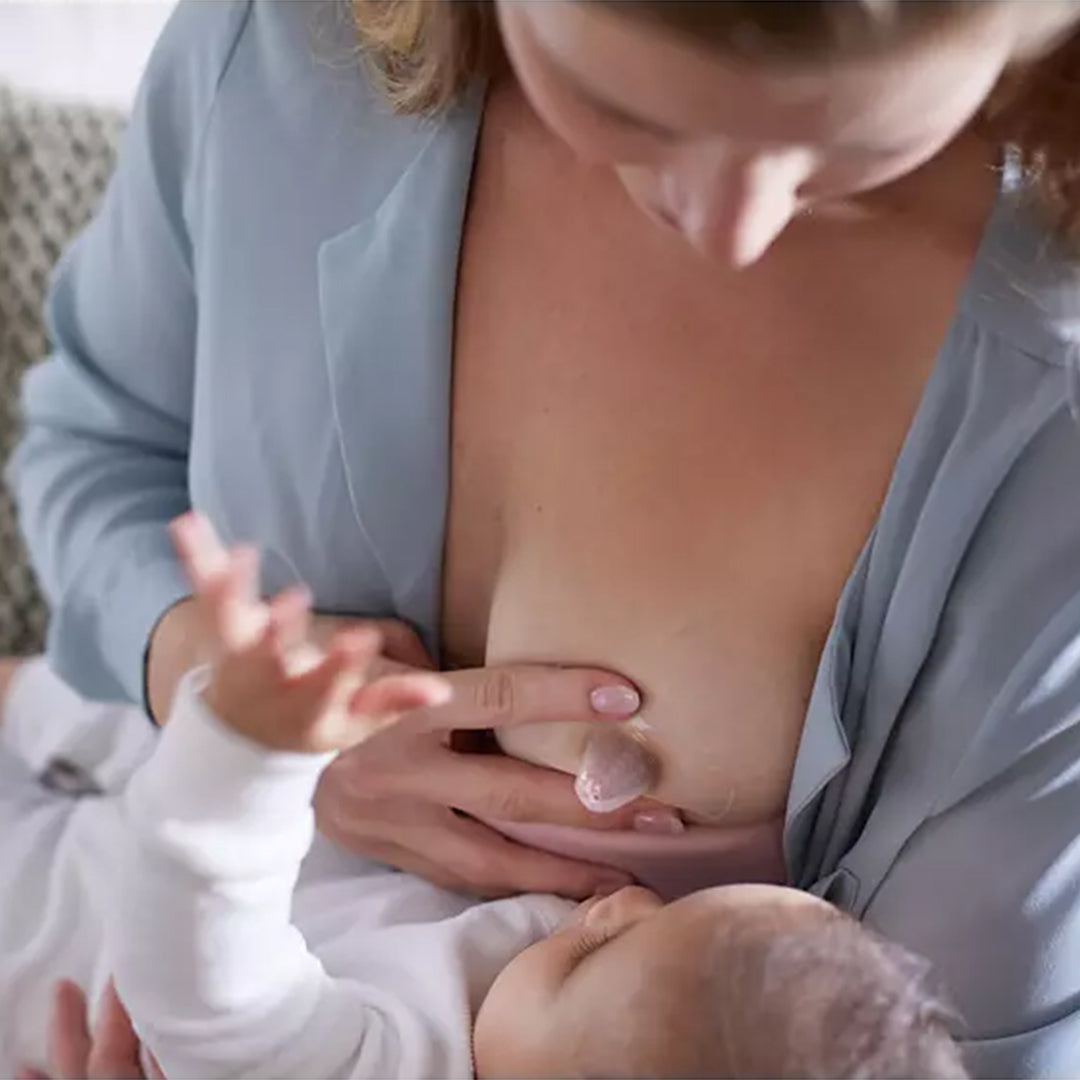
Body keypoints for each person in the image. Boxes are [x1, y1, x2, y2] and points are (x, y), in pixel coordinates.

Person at [9, 0, 1080, 1074]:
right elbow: (99, 450)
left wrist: (234, 768)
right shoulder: (284, 43)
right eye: (626, 107)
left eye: (855, 144)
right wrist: (196, 675)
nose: (730, 230)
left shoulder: (1050, 444)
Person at [2, 514, 967, 1080]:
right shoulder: (533, 1014)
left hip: (64, 937)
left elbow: (205, 994)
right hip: (177, 825)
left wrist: (243, 756)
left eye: (594, 959)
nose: (625, 904)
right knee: (86, 722)